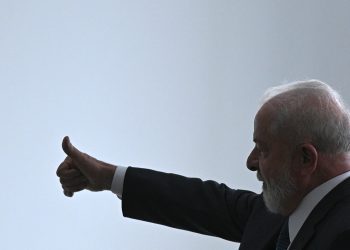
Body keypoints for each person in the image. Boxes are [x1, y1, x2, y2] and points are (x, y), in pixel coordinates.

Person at [56, 80, 350, 249]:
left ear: (305, 159)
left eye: (262, 149)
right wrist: (108, 177)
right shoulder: (289, 203)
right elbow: (204, 203)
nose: (250, 162)